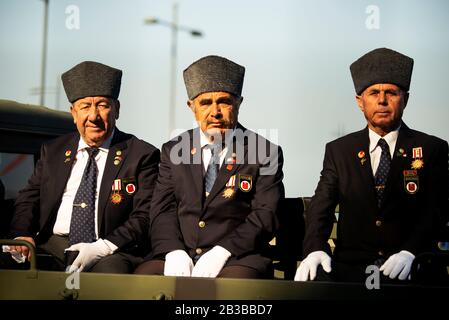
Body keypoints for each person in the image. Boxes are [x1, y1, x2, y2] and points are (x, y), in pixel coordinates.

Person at [295, 48, 449, 283]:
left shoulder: (432, 148)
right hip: (352, 268)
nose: (382, 100)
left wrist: (411, 251)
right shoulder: (340, 150)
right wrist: (315, 248)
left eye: (391, 93)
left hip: (412, 266)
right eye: (373, 92)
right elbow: (321, 205)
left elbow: (435, 210)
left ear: (405, 99)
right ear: (360, 101)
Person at [135, 55, 285, 278]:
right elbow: (162, 209)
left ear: (239, 103)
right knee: (141, 282)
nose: (215, 112)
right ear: (192, 107)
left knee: (232, 290)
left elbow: (266, 213)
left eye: (224, 102)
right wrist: (173, 250)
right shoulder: (174, 150)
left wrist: (223, 251)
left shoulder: (264, 151)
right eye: (205, 103)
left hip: (238, 258)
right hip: (182, 254)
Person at [3, 61, 160, 273]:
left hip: (110, 250)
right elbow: (29, 197)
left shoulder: (141, 155)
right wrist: (20, 235)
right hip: (53, 245)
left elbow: (144, 215)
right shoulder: (54, 151)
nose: (93, 116)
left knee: (109, 277)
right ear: (73, 113)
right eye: (85, 107)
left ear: (117, 109)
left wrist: (102, 247)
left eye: (102, 105)